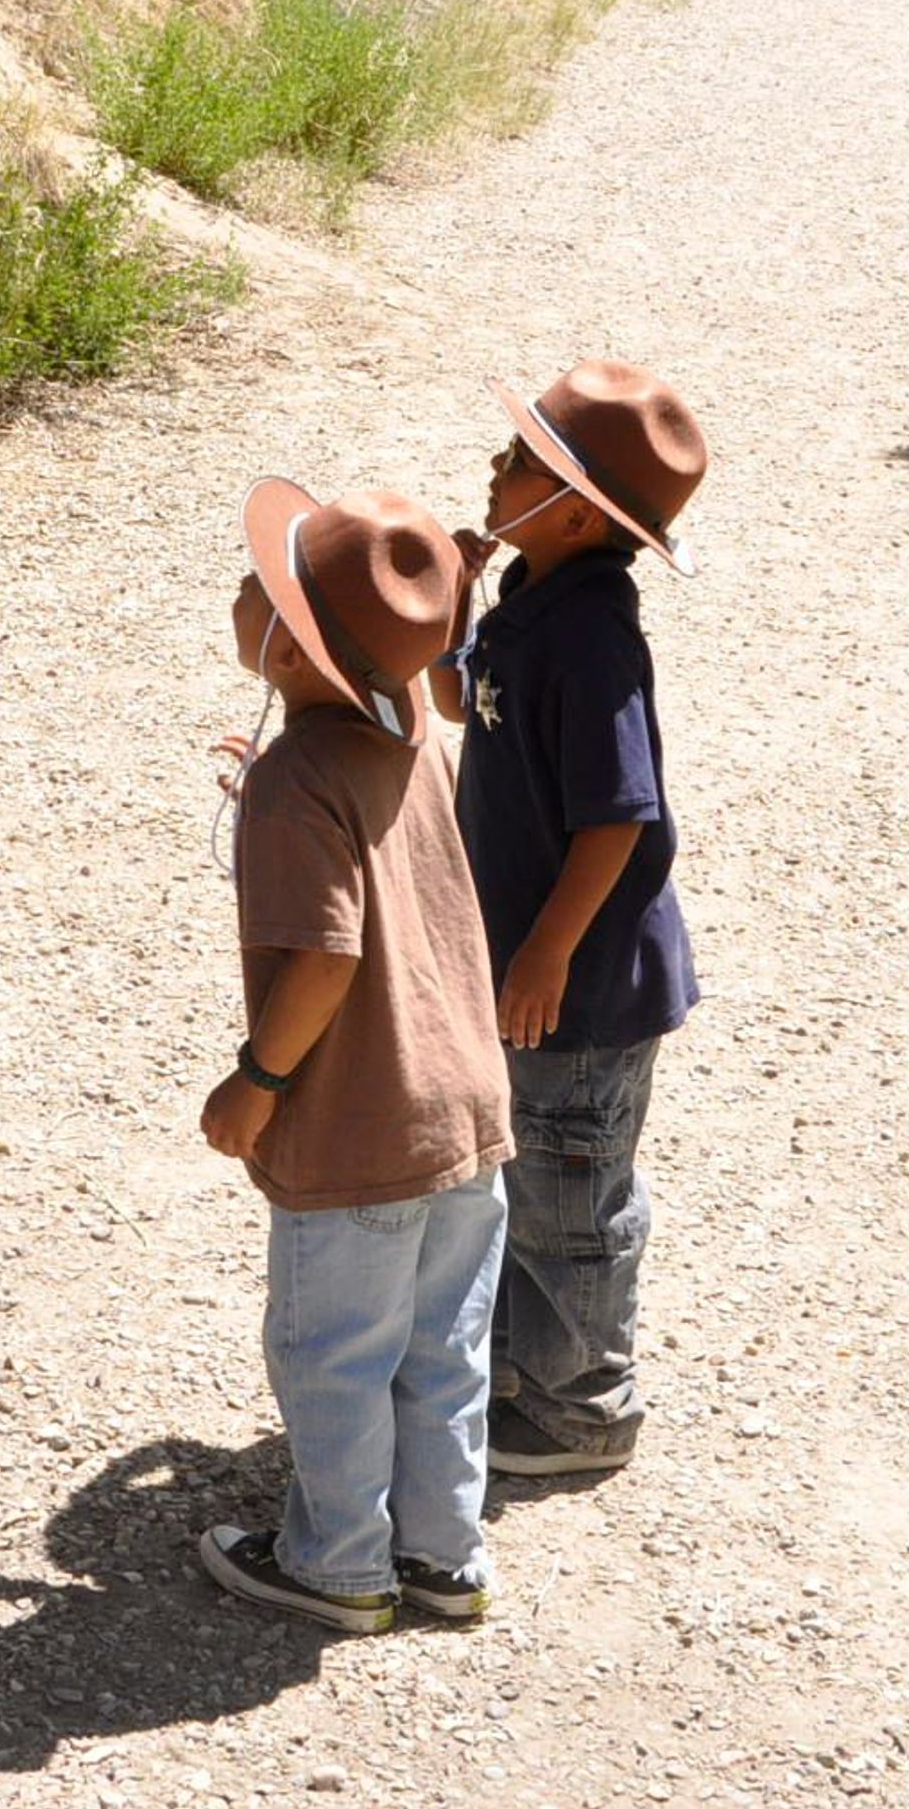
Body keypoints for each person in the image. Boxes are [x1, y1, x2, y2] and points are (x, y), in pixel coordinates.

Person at [196, 480, 516, 1634]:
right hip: (466, 1109)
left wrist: (257, 1079)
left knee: (334, 1352)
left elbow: (325, 961)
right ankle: (444, 1554)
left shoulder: (297, 783)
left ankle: (337, 1563)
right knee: (443, 1351)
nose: (242, 594)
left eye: (262, 590)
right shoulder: (413, 732)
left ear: (290, 649)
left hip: (358, 1122)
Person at [439, 360, 709, 1482]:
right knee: (529, 1175)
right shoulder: (529, 602)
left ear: (576, 509)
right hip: (528, 966)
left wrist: (546, 950)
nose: (494, 472)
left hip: (582, 985)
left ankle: (582, 1406)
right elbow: (457, 694)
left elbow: (618, 818)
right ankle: (524, 1368)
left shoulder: (595, 638)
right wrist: (455, 590)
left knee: (572, 1196)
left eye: (520, 463)